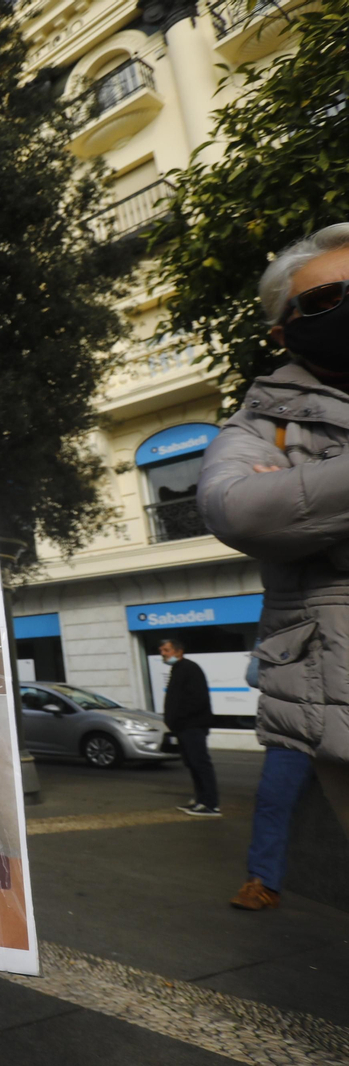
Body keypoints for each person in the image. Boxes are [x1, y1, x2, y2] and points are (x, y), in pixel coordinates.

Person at [197, 221, 349, 907]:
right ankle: (265, 876)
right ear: (282, 331)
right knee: (283, 782)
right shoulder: (261, 426)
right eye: (325, 299)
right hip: (320, 699)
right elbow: (242, 509)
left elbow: (283, 506)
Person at [158, 638, 219, 816]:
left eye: (166, 650)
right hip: (183, 727)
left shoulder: (190, 669)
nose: (163, 653)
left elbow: (197, 699)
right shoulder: (177, 669)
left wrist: (180, 718)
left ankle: (211, 804)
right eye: (161, 650)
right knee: (192, 764)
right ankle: (200, 800)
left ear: (178, 651)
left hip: (192, 726)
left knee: (200, 763)